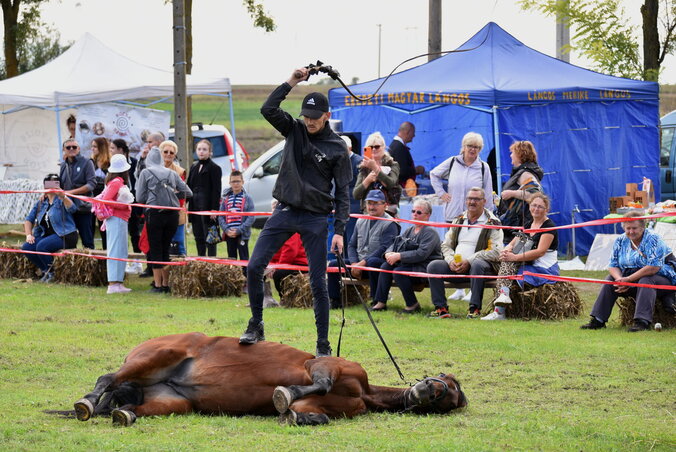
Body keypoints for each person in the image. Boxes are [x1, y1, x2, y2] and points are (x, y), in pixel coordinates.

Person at [239, 67, 352, 358]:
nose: (310, 122)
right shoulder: (294, 130)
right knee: (254, 267)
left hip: (316, 218)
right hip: (285, 211)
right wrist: (292, 81)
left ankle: (323, 345)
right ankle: (256, 323)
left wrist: (338, 231)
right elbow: (268, 108)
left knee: (318, 282)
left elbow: (343, 193)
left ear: (327, 116)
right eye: (306, 117)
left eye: (315, 117)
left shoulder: (338, 148)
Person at [580, 211, 676, 332]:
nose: (631, 231)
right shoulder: (620, 240)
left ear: (643, 226)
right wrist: (620, 280)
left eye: (634, 228)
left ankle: (642, 322)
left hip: (661, 278)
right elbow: (613, 265)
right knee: (610, 279)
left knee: (646, 280)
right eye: (628, 228)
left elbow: (653, 267)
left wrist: (629, 280)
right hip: (631, 277)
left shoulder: (653, 238)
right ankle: (598, 320)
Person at [430, 132, 495, 302]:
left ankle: (473, 290)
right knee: (454, 250)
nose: (473, 150)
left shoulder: (483, 167)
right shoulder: (452, 162)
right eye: (470, 146)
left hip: (476, 218)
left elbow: (487, 191)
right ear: (463, 147)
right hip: (454, 215)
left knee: (473, 251)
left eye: (477, 147)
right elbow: (434, 174)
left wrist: (489, 216)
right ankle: (458, 288)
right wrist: (441, 194)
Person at [426, 187, 503, 319]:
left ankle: (474, 309)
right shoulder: (459, 219)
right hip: (457, 267)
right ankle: (441, 309)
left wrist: (469, 261)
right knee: (434, 266)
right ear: (465, 201)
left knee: (478, 264)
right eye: (469, 199)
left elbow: (496, 251)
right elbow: (446, 245)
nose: (472, 202)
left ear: (484, 201)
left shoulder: (492, 222)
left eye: (476, 199)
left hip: (481, 269)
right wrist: (450, 261)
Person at [483, 193, 558, 320]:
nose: (536, 209)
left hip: (541, 266)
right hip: (527, 259)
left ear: (547, 210)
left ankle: (500, 309)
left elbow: (540, 252)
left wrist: (514, 257)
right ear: (529, 206)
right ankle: (501, 296)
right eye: (534, 205)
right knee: (500, 259)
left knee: (509, 262)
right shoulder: (528, 224)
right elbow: (514, 242)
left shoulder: (549, 227)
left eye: (540, 207)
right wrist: (507, 250)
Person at [327, 190, 399, 309]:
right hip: (358, 263)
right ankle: (335, 301)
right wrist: (355, 263)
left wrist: (361, 264)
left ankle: (377, 301)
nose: (371, 207)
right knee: (333, 265)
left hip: (375, 264)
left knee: (373, 262)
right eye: (369, 203)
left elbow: (384, 249)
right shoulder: (360, 220)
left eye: (376, 203)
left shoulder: (390, 224)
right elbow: (351, 245)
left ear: (385, 205)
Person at [135, 147, 192, 293]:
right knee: (166, 247)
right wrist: (172, 196)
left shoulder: (145, 172)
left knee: (155, 248)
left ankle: (158, 285)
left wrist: (153, 196)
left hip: (155, 213)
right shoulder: (172, 173)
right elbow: (188, 192)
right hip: (172, 214)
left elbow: (140, 197)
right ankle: (166, 284)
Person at [370, 198, 442, 313]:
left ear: (428, 215)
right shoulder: (409, 230)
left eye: (419, 212)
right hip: (410, 263)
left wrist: (399, 256)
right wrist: (389, 253)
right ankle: (380, 302)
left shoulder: (430, 232)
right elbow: (396, 243)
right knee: (385, 266)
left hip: (425, 266)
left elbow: (421, 254)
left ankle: (412, 304)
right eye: (413, 211)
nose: (415, 215)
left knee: (399, 272)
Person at [22, 174, 78, 282]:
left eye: (54, 184)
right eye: (48, 184)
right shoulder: (41, 202)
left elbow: (73, 209)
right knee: (27, 247)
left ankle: (52, 274)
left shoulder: (62, 199)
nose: (50, 187)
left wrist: (63, 196)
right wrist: (29, 235)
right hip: (47, 236)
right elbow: (29, 219)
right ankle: (46, 271)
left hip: (65, 235)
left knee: (41, 246)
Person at [97, 154, 133, 294]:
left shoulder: (114, 181)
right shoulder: (117, 182)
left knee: (120, 249)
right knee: (116, 249)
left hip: (119, 219)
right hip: (117, 219)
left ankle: (117, 282)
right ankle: (113, 283)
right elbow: (107, 200)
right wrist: (124, 205)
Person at [497, 140, 544, 244]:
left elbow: (535, 195)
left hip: (520, 226)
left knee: (514, 256)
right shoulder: (522, 172)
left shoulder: (525, 174)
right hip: (516, 225)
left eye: (512, 152)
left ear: (520, 155)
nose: (510, 155)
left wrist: (512, 193)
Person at [187, 139, 222, 257]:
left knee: (210, 237)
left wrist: (214, 209)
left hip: (207, 207)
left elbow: (216, 190)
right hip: (195, 207)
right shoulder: (194, 167)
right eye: (199, 149)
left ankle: (212, 261)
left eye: (204, 149)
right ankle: (201, 258)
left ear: (210, 152)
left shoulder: (215, 168)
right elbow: (188, 187)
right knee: (198, 236)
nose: (201, 152)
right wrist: (184, 203)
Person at [59, 138, 96, 249]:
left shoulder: (87, 162)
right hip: (67, 208)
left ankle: (91, 265)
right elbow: (59, 184)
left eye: (74, 147)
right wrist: (47, 192)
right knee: (69, 241)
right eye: (68, 147)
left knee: (87, 241)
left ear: (79, 149)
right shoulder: (63, 165)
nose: (71, 149)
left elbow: (91, 184)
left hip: (82, 208)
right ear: (64, 150)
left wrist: (70, 193)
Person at [353, 131, 401, 216]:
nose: (374, 149)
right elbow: (356, 195)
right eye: (371, 147)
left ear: (384, 147)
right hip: (369, 212)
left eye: (377, 147)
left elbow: (390, 184)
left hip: (388, 211)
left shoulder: (392, 164)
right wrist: (368, 180)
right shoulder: (364, 167)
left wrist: (375, 168)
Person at [218, 170, 255, 277]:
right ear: (230, 183)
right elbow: (221, 216)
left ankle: (246, 279)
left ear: (242, 182)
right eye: (233, 182)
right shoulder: (226, 199)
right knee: (231, 257)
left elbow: (251, 217)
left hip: (242, 234)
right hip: (229, 233)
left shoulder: (247, 198)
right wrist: (226, 230)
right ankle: (233, 279)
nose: (236, 184)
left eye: (238, 181)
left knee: (244, 258)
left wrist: (239, 230)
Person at [110, 139, 141, 255]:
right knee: (120, 232)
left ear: (120, 150)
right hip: (117, 203)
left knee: (134, 230)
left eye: (113, 148)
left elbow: (137, 181)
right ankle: (122, 258)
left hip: (131, 200)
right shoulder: (111, 164)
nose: (111, 151)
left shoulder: (134, 162)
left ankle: (137, 259)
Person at [160, 140, 188, 256]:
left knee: (179, 245)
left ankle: (181, 271)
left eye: (171, 153)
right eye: (165, 151)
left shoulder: (179, 171)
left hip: (176, 212)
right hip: (158, 212)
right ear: (161, 153)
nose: (168, 154)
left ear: (175, 155)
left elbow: (181, 194)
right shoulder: (152, 169)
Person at [342, 134, 363, 245]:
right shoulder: (340, 161)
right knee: (342, 239)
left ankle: (351, 261)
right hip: (342, 208)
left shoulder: (359, 162)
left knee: (351, 239)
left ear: (349, 148)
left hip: (353, 207)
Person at [91, 137, 111, 249]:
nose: (92, 149)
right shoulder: (91, 162)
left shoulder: (109, 163)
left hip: (104, 199)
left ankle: (106, 250)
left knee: (104, 228)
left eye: (95, 146)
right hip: (91, 197)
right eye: (92, 146)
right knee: (90, 227)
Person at [388, 121, 416, 187]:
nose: (414, 135)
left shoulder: (396, 145)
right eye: (413, 132)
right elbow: (402, 171)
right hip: (401, 187)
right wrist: (416, 170)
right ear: (408, 132)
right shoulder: (398, 147)